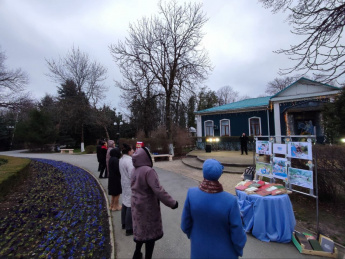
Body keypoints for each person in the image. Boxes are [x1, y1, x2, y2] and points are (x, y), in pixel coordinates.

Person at [181, 159, 247, 259]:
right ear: (220, 174)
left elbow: (185, 225)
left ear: (203, 172)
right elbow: (238, 234)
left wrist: (195, 237)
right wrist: (238, 249)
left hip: (198, 251)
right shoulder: (230, 201)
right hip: (225, 253)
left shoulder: (191, 194)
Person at [131, 147, 178, 259]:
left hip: (136, 205)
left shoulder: (134, 170)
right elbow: (158, 190)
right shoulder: (148, 171)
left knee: (141, 232)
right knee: (150, 236)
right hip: (148, 208)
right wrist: (172, 203)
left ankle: (137, 254)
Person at [119, 143, 135, 236]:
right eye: (132, 149)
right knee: (130, 205)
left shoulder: (121, 159)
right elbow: (132, 175)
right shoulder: (130, 161)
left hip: (124, 183)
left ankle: (124, 223)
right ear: (129, 151)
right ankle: (129, 228)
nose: (133, 151)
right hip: (129, 184)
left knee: (125, 203)